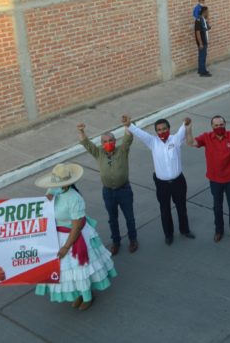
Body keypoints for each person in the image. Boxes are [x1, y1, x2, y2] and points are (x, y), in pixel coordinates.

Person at [34, 163, 117, 311]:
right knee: (67, 271)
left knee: (80, 268)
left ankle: (87, 297)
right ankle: (79, 293)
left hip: (74, 235)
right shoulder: (53, 190)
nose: (56, 186)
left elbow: (77, 226)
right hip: (58, 234)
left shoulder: (75, 198)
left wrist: (67, 246)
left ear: (67, 184)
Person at [126, 115, 195, 245]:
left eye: (164, 129)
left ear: (169, 129)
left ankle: (185, 230)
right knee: (165, 210)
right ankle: (168, 235)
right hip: (162, 184)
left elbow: (184, 127)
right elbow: (140, 133)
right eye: (159, 130)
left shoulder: (175, 139)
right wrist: (129, 125)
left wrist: (186, 122)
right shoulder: (152, 142)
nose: (162, 131)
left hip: (178, 182)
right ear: (156, 132)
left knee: (181, 207)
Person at [186, 112, 230, 242]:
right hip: (215, 180)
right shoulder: (206, 137)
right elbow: (191, 143)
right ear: (212, 126)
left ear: (225, 125)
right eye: (216, 125)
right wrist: (188, 130)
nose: (219, 127)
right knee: (217, 206)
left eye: (221, 124)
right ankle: (219, 231)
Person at [78, 119, 137, 255]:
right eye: (104, 142)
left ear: (115, 142)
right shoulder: (98, 153)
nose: (108, 144)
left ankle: (133, 240)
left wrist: (127, 125)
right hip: (108, 192)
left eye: (110, 141)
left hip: (124, 190)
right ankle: (116, 242)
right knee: (112, 219)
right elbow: (86, 143)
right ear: (102, 144)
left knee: (130, 217)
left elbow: (128, 137)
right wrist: (81, 131)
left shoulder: (122, 150)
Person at [194, 6, 212, 77]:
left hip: (204, 41)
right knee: (202, 56)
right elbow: (197, 32)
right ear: (204, 12)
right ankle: (203, 72)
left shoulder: (203, 19)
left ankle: (200, 69)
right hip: (202, 42)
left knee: (202, 55)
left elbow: (207, 28)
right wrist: (200, 43)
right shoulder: (198, 20)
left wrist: (208, 21)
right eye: (207, 11)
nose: (208, 13)